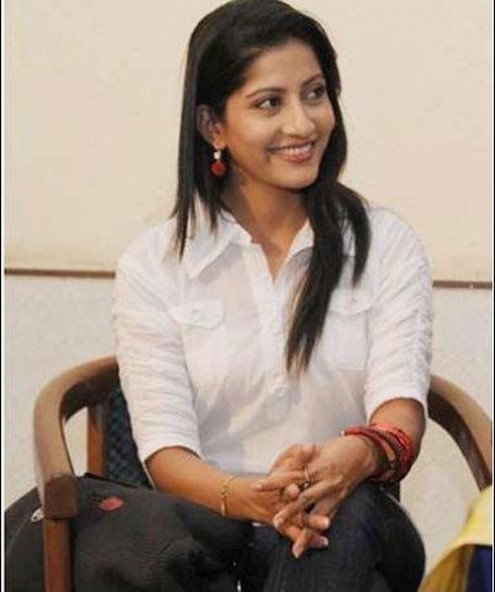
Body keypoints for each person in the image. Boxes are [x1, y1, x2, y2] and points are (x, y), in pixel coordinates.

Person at [113, 1, 433, 590]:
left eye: (315, 94)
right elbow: (166, 455)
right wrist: (258, 498)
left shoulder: (386, 244)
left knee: (342, 517)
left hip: (360, 519)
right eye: (270, 103)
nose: (303, 124)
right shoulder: (154, 265)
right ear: (213, 127)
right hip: (222, 531)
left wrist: (352, 459)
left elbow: (401, 411)